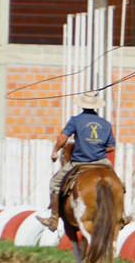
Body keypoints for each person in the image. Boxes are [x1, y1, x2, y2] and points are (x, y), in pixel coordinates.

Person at [37, 93, 115, 231]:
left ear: (82, 105)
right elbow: (111, 147)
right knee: (117, 184)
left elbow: (63, 136)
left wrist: (55, 151)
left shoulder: (75, 120)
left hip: (80, 162)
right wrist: (96, 147)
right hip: (102, 162)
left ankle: (53, 219)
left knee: (55, 183)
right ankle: (122, 215)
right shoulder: (106, 124)